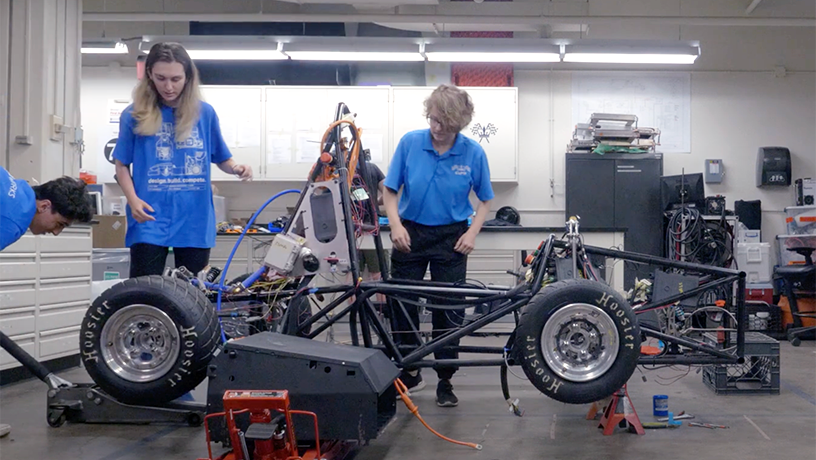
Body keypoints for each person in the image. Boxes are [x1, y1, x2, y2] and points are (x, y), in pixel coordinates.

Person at [383, 84, 494, 407]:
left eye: (444, 124)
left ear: (458, 124)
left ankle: (445, 378)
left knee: (448, 309)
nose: (437, 129)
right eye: (433, 120)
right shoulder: (410, 143)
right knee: (402, 304)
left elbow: (486, 200)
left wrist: (472, 233)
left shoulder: (473, 153)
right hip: (411, 235)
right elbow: (390, 191)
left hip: (451, 238)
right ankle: (410, 370)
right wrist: (396, 225)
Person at [113, 42, 253, 278]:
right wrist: (133, 200)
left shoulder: (204, 113)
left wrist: (237, 168)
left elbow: (222, 158)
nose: (168, 87)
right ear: (149, 75)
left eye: (176, 79)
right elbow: (121, 165)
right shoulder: (133, 115)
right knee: (145, 292)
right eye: (161, 78)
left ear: (188, 77)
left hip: (194, 219)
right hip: (149, 217)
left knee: (192, 295)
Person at [0, 165, 94, 438]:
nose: (55, 233)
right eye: (60, 224)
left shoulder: (12, 181)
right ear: (44, 206)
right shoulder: (14, 220)